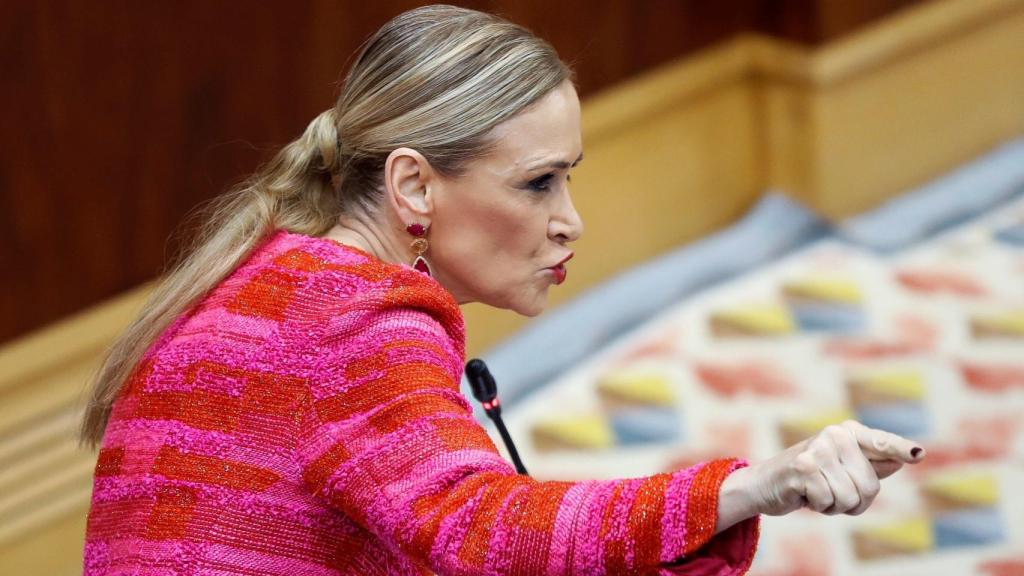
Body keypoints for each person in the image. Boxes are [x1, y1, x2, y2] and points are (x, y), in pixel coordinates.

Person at [80, 5, 924, 575]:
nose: (570, 222)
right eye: (538, 184)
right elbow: (485, 534)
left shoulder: (278, 279)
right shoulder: (360, 323)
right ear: (413, 187)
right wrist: (754, 485)